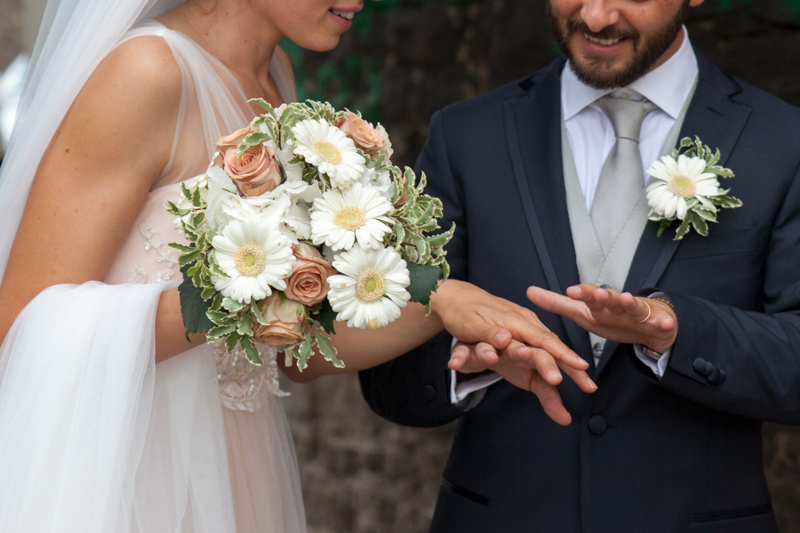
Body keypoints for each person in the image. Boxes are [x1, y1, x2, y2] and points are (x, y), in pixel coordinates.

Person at [0, 0, 595, 531]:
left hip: (236, 466)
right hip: (126, 468)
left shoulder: (275, 80)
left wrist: (446, 304)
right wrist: (246, 292)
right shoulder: (148, 73)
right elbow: (20, 324)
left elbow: (299, 346)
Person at [359, 0, 800, 531]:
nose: (594, 17)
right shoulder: (466, 138)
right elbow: (388, 377)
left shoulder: (784, 143)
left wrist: (677, 333)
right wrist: (468, 362)